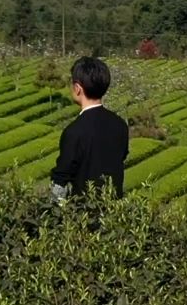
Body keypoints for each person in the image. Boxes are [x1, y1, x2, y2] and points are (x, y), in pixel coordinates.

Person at [50, 56, 129, 205]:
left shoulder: (74, 131)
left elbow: (60, 180)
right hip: (114, 213)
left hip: (83, 216)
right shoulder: (120, 125)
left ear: (78, 88)